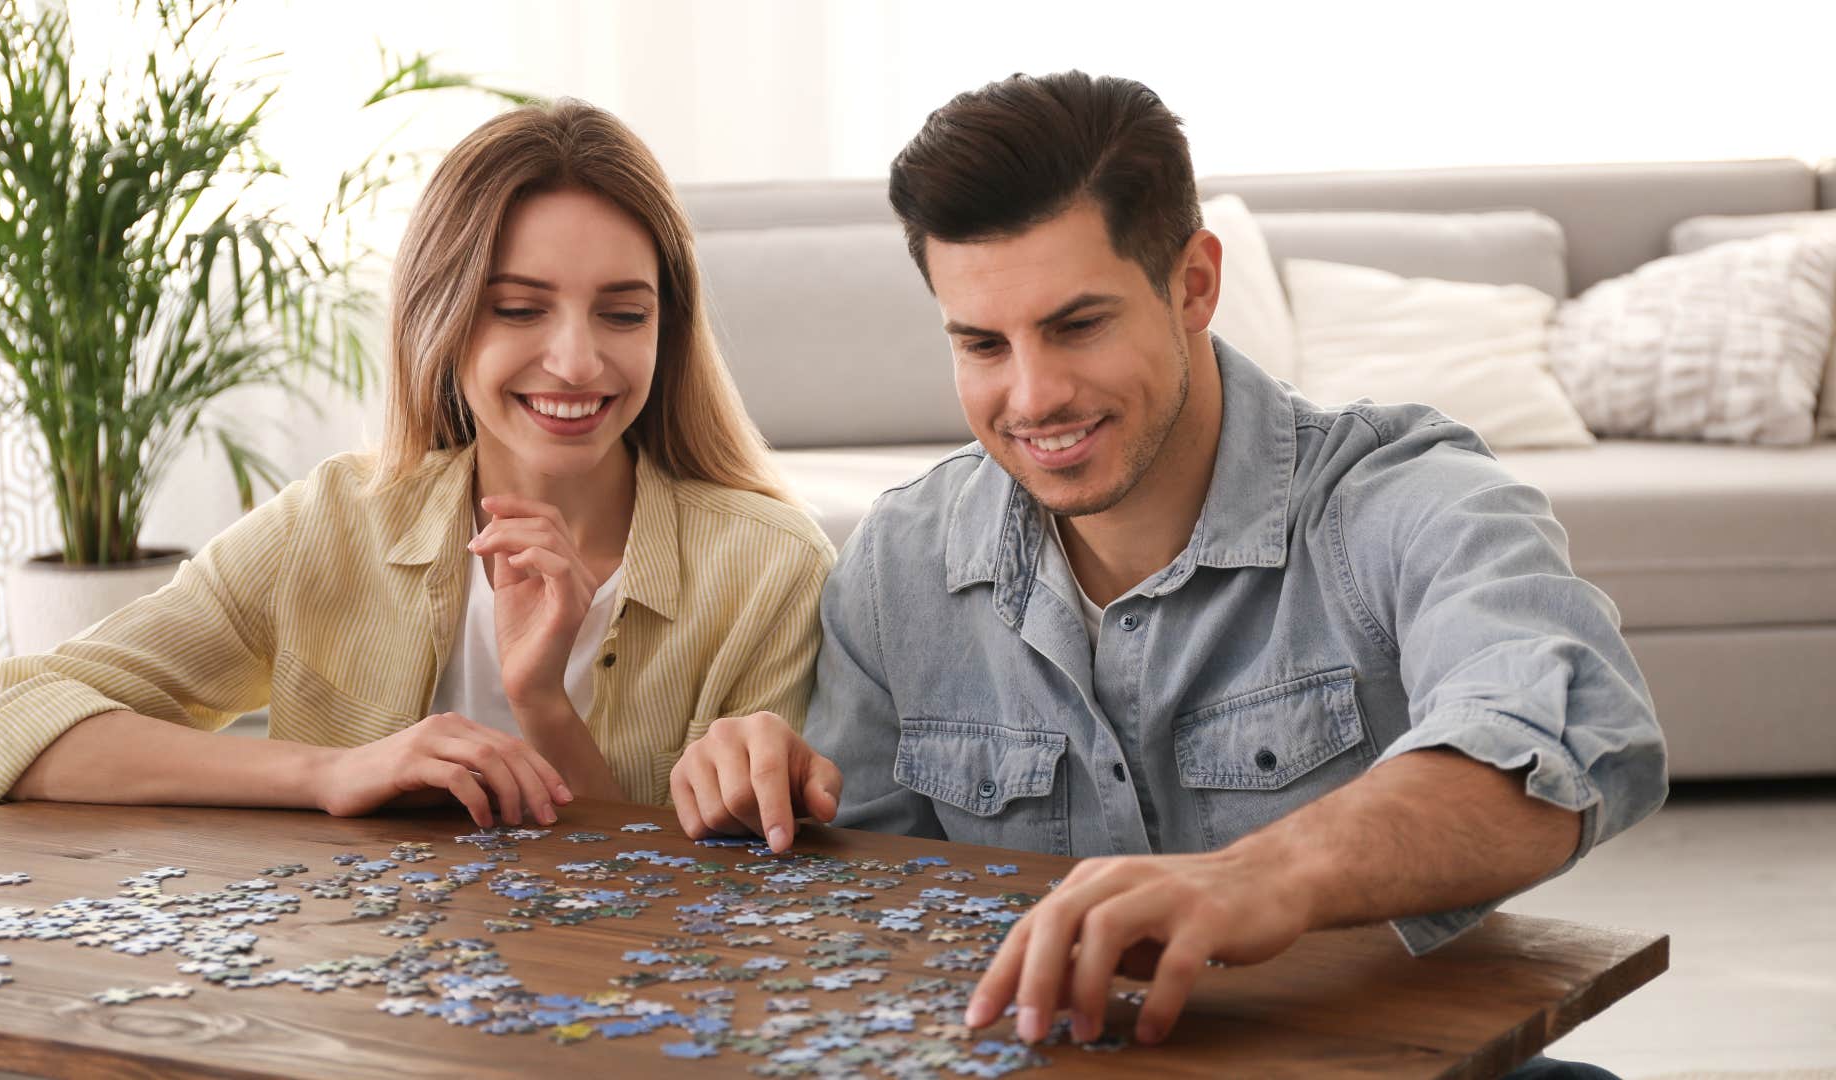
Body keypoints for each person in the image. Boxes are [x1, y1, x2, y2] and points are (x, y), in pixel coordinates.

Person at [667, 70, 1666, 1067]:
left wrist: (1261, 879)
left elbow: (1569, 743)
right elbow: (873, 915)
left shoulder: (1406, 497)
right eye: (981, 342)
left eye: (1077, 325)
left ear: (1193, 283)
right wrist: (770, 804)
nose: (1033, 394)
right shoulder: (898, 562)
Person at [0, 101, 834, 830]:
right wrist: (333, 773)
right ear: (439, 320)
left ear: (667, 331)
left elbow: (716, 910)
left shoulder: (768, 567)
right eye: (519, 309)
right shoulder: (334, 520)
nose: (575, 361)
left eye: (623, 314)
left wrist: (542, 704)